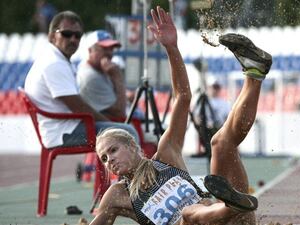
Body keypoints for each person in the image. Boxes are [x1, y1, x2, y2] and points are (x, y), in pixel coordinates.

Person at [89, 6, 272, 225]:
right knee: (187, 215)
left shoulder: (167, 154)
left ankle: (253, 73)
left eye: (113, 150)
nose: (110, 161)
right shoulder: (117, 195)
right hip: (194, 219)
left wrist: (172, 48)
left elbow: (183, 98)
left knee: (220, 144)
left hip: (229, 222)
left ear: (132, 146)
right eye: (104, 159)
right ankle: (228, 206)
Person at [24, 11, 139, 149]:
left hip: (64, 128)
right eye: (67, 34)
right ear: (52, 36)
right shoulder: (55, 64)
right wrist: (112, 126)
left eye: (77, 35)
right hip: (64, 132)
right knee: (127, 133)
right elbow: (79, 108)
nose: (73, 39)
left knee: (124, 130)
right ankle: (139, 171)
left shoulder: (57, 60)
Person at [77, 30, 127, 119]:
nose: (109, 53)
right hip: (103, 127)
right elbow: (120, 113)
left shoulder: (101, 70)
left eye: (111, 49)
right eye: (104, 48)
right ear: (90, 51)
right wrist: (118, 77)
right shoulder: (91, 76)